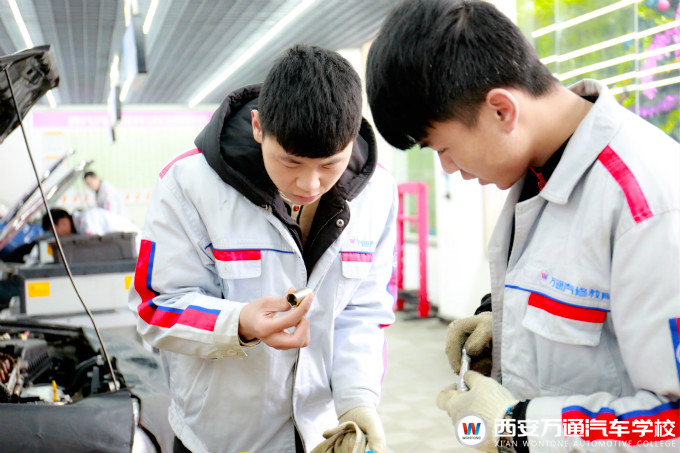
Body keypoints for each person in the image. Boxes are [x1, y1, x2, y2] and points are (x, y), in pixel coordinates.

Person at [366, 1, 679, 452]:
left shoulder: (647, 204)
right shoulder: (536, 175)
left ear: (501, 110)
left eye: (443, 148)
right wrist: (505, 321)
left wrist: (515, 426)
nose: (448, 168)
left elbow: (671, 425)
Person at [128, 45, 397, 453]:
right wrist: (238, 323)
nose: (309, 184)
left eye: (330, 164)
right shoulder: (187, 185)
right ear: (258, 126)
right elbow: (154, 308)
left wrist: (357, 401)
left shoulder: (378, 193)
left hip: (322, 433)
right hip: (219, 440)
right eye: (291, 162)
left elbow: (365, 311)